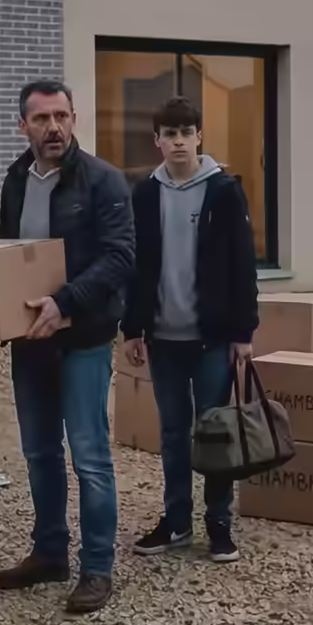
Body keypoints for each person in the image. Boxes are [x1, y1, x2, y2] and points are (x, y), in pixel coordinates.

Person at [0, 80, 135, 614]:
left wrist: (66, 302)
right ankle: (49, 552)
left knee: (90, 457)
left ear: (74, 119)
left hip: (84, 337)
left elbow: (121, 257)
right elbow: (9, 254)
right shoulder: (13, 179)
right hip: (29, 342)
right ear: (22, 126)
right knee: (39, 453)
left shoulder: (102, 181)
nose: (53, 127)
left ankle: (97, 568)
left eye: (62, 116)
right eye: (41, 118)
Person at [120, 95, 259, 562]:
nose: (178, 142)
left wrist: (244, 332)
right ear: (157, 141)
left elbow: (243, 266)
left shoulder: (223, 191)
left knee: (215, 430)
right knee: (173, 433)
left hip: (213, 340)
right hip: (163, 339)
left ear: (199, 136)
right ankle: (176, 521)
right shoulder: (145, 193)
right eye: (169, 134)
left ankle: (218, 521)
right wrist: (132, 329)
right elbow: (137, 268)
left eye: (186, 133)